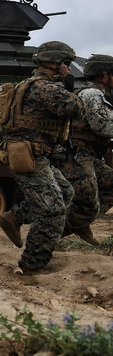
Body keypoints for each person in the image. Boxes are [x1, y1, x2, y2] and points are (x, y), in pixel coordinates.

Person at [0, 41, 85, 273]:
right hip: (29, 155)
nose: (69, 67)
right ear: (54, 63)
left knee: (65, 192)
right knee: (52, 211)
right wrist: (70, 86)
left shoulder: (29, 84)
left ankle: (14, 218)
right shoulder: (46, 88)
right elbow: (76, 109)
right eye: (66, 63)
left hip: (34, 153)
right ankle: (32, 265)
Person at [50, 54, 113, 245]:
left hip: (87, 154)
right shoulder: (92, 94)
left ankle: (80, 223)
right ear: (104, 76)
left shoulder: (97, 93)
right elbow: (101, 126)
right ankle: (47, 239)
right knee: (86, 203)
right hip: (77, 154)